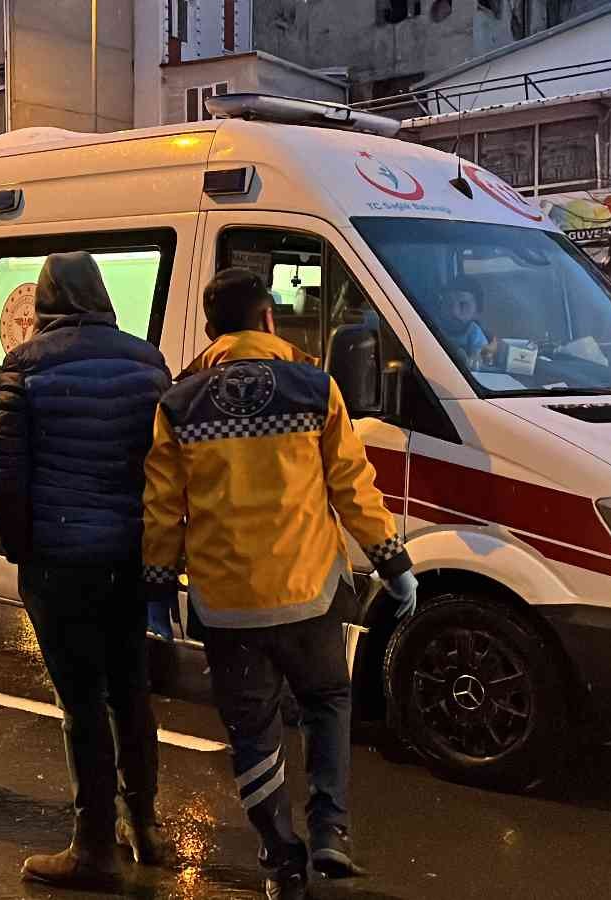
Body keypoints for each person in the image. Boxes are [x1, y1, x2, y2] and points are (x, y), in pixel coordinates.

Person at [140, 268, 417, 900]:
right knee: (327, 702)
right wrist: (392, 562)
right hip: (309, 591)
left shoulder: (179, 404)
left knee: (251, 728)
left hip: (227, 603)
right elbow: (351, 483)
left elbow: (162, 507)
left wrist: (157, 587)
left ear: (212, 331)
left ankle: (278, 848)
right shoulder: (316, 388)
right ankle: (330, 831)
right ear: (269, 319)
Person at [0, 252, 172, 889]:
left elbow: (2, 473)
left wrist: (22, 548)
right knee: (131, 690)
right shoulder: (148, 362)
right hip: (129, 556)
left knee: (81, 702)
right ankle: (144, 824)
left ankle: (93, 847)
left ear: (44, 301)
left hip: (60, 563)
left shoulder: (27, 366)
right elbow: (165, 464)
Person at [434, 277, 498, 367]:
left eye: (463, 305)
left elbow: (480, 353)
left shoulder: (474, 332)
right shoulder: (432, 327)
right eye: (448, 303)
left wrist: (477, 357)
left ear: (477, 311)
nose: (454, 311)